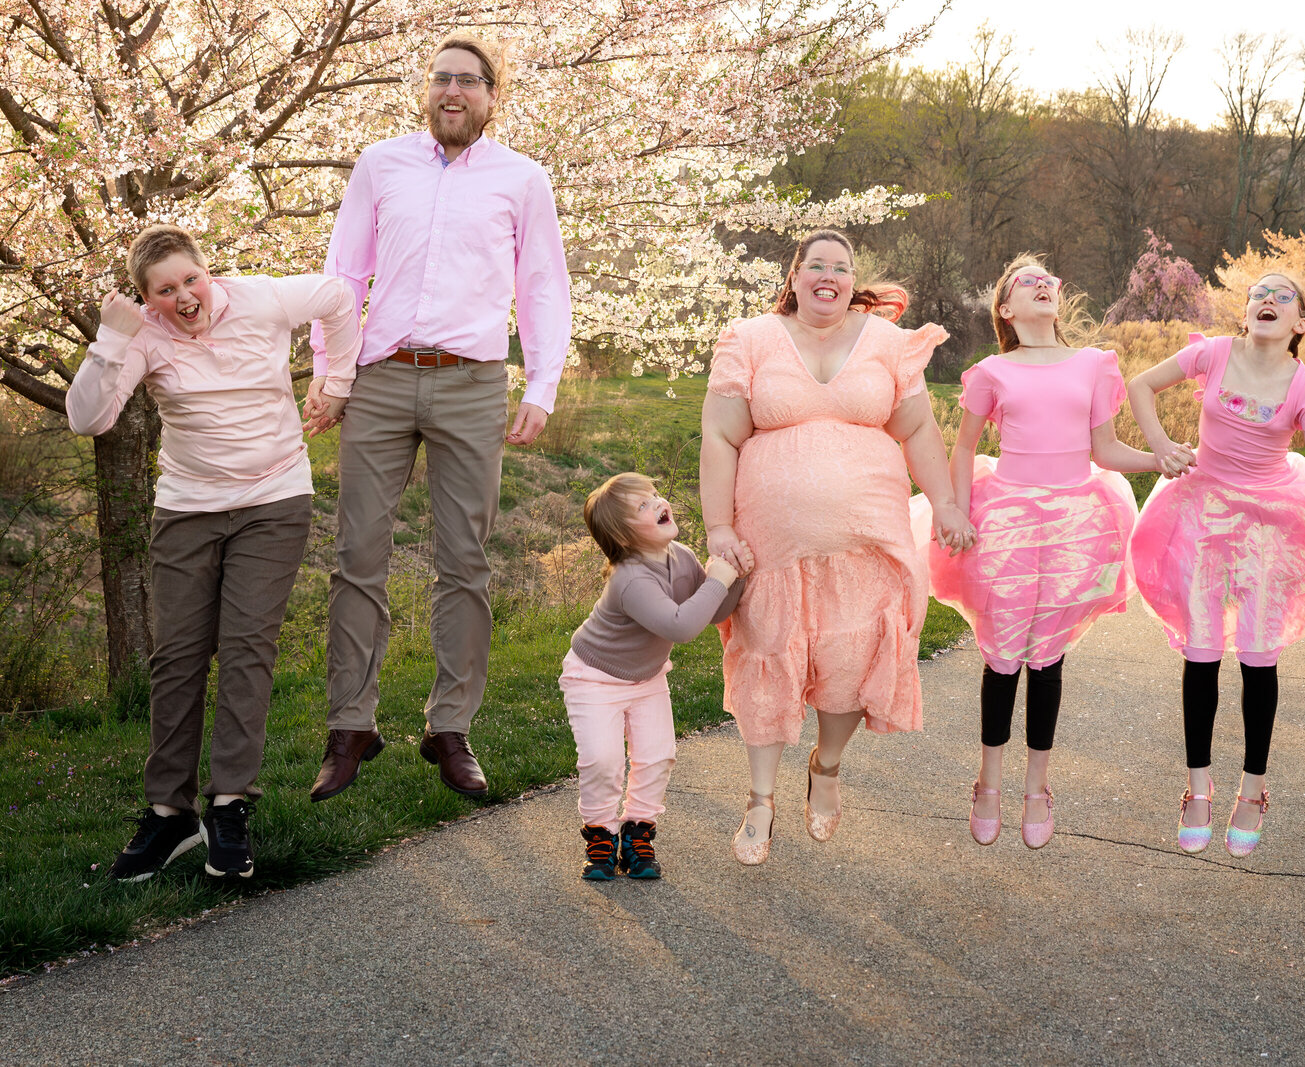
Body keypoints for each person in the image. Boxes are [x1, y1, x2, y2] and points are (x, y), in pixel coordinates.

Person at [309, 34, 572, 802]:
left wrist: (542, 385)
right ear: (427, 91)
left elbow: (543, 286)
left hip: (472, 383)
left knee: (464, 560)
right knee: (358, 553)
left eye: (469, 80)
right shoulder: (379, 163)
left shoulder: (523, 180)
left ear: (493, 95)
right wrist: (334, 374)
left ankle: (449, 727)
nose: (452, 90)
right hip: (381, 378)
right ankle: (350, 724)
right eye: (441, 79)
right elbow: (343, 273)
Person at [67, 224, 359, 880]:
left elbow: (340, 297)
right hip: (188, 508)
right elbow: (89, 419)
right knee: (177, 658)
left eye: (190, 278)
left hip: (274, 501)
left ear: (208, 272)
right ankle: (170, 814)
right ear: (148, 300)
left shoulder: (260, 300)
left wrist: (335, 382)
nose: (185, 296)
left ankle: (230, 804)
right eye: (165, 290)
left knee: (248, 647)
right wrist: (110, 339)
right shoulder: (141, 336)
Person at [700, 228, 975, 866]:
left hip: (868, 544)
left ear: (853, 282)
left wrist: (945, 503)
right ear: (793, 278)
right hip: (774, 550)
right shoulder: (751, 341)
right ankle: (761, 800)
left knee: (852, 665)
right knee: (769, 655)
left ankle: (826, 766)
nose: (829, 275)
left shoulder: (884, 344)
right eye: (815, 265)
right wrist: (718, 527)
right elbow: (719, 436)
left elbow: (917, 428)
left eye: (842, 267)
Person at [1126, 272, 1305, 859]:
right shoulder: (1212, 354)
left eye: (1284, 295)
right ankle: (1198, 790)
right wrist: (1162, 446)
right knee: (1199, 653)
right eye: (1258, 294)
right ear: (1244, 314)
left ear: (1300, 323)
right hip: (1200, 512)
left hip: (1271, 525)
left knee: (1255, 656)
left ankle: (1253, 790)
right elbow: (1140, 385)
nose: (1268, 299)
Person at [923, 254, 1167, 850]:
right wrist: (953, 508)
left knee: (1046, 655)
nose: (1042, 285)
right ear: (1005, 308)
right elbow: (962, 450)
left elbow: (1105, 450)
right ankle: (988, 784)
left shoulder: (1093, 364)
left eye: (1048, 279)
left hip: (1075, 522)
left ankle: (1037, 787)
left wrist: (1160, 459)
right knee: (1004, 654)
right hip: (1006, 518)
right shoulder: (990, 372)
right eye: (1025, 282)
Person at [560, 473, 749, 880]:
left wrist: (735, 575)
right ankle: (601, 836)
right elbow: (681, 627)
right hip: (594, 677)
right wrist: (718, 579)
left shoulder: (679, 555)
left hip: (646, 677)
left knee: (658, 755)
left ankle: (637, 834)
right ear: (623, 535)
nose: (659, 502)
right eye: (642, 505)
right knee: (602, 760)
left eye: (655, 495)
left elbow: (711, 610)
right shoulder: (630, 579)